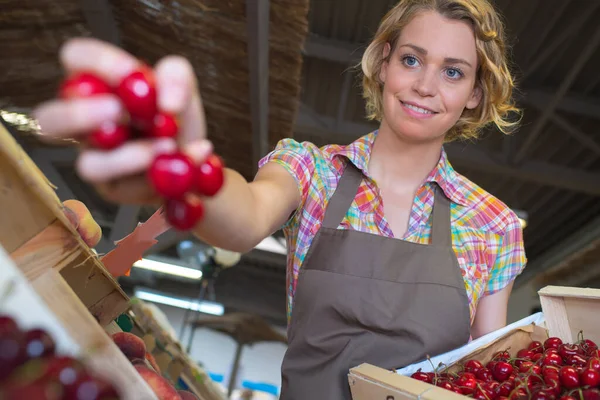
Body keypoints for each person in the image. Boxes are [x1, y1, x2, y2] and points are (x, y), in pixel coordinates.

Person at [33, 0, 527, 398]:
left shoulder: (493, 225)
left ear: (477, 94)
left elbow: (485, 375)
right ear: (382, 62)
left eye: (454, 72)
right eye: (412, 59)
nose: (424, 85)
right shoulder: (312, 171)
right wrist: (194, 175)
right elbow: (245, 216)